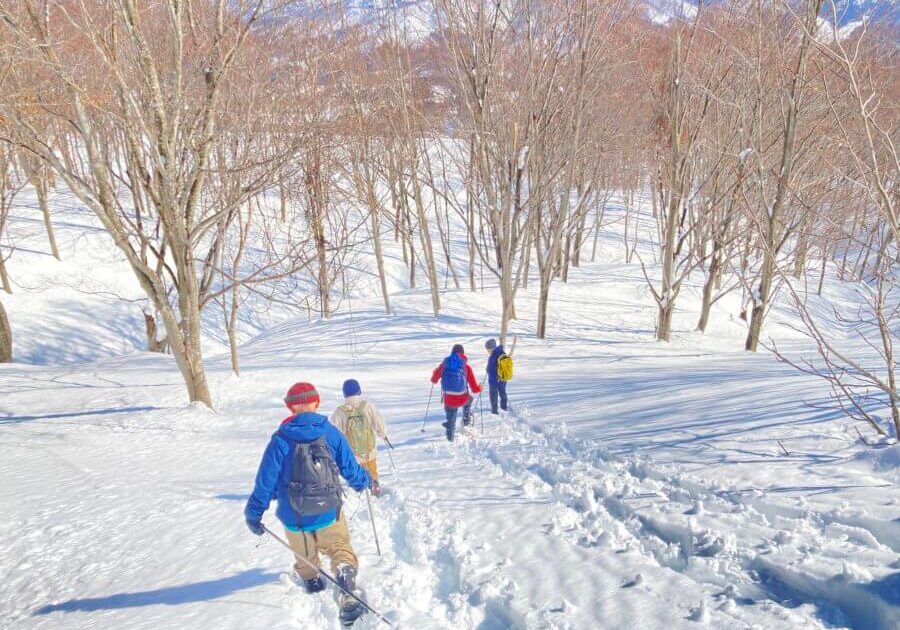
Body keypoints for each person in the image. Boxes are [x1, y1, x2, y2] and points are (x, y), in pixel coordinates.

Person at [244, 382, 371, 625]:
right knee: (339, 546)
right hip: (329, 510)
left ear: (291, 407)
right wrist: (363, 481)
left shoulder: (280, 439)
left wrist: (254, 513)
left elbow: (265, 482)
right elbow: (350, 468)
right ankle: (345, 581)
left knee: (304, 555)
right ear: (317, 402)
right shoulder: (331, 432)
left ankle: (312, 582)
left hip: (294, 516)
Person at [331, 378, 387, 497]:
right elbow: (378, 421)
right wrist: (383, 434)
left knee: (357, 473)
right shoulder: (368, 406)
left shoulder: (340, 412)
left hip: (353, 454)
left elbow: (334, 432)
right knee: (372, 469)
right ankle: (374, 484)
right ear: (359, 391)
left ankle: (361, 491)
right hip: (369, 450)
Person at [430, 344, 482, 441]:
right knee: (469, 399)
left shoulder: (444, 365)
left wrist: (435, 373)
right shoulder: (466, 367)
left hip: (449, 400)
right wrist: (480, 388)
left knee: (451, 415)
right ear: (463, 354)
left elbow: (433, 380)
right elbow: (474, 389)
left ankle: (450, 435)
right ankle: (466, 422)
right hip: (463, 398)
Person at [485, 338, 509, 414]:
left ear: (491, 348)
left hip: (494, 380)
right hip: (503, 378)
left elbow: (490, 369)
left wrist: (487, 370)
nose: (487, 351)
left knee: (493, 395)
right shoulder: (502, 353)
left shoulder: (493, 356)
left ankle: (494, 410)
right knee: (503, 393)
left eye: (487, 349)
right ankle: (504, 407)